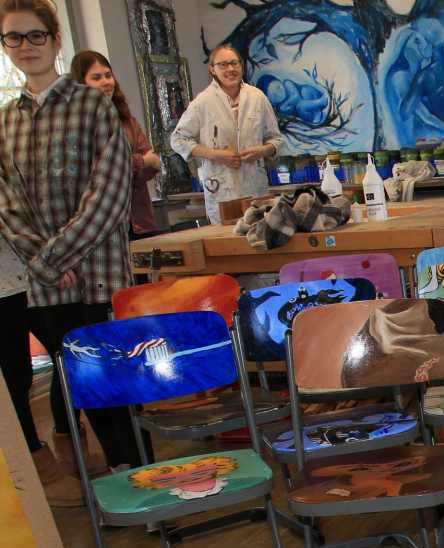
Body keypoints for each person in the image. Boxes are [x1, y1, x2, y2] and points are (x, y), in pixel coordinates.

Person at [0, 0, 144, 503]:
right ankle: (118, 491)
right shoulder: (6, 122)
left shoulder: (93, 106)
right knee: (79, 388)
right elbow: (7, 205)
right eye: (14, 38)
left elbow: (108, 194)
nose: (26, 47)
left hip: (97, 275)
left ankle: (148, 488)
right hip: (46, 288)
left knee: (117, 388)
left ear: (56, 40)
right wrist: (45, 264)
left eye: (35, 35)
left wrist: (53, 258)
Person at [170, 43, 283, 225]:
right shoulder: (203, 102)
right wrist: (215, 155)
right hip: (221, 190)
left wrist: (262, 150)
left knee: (260, 233)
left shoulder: (257, 98)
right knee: (226, 236)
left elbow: (276, 139)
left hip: (255, 187)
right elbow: (178, 139)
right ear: (212, 69)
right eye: (223, 65)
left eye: (234, 63)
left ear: (241, 66)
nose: (230, 69)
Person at [70, 50, 161, 239]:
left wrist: (134, 166)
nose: (106, 82)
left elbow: (153, 165)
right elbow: (100, 171)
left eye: (108, 75)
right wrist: (141, 162)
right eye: (96, 78)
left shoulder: (127, 120)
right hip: (103, 226)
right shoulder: (76, 125)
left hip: (139, 220)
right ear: (81, 84)